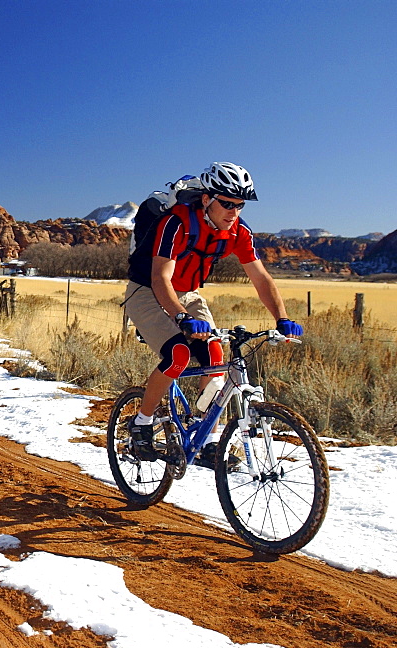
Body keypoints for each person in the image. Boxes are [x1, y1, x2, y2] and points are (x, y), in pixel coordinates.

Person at [123, 162, 303, 466]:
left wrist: (282, 318)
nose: (234, 212)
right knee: (179, 354)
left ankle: (207, 440)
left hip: (188, 293)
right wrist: (180, 317)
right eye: (227, 204)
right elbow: (160, 279)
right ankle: (141, 423)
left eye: (240, 205)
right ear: (207, 199)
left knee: (215, 357)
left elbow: (261, 278)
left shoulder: (238, 232)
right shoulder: (176, 223)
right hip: (147, 291)